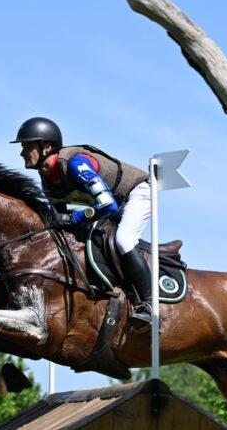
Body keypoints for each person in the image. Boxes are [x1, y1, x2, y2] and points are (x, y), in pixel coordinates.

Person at [11, 116, 154, 330]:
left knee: (124, 239)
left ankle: (149, 305)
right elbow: (59, 223)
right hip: (112, 202)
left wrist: (73, 218)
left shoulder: (75, 164)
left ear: (47, 147)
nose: (22, 153)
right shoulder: (47, 179)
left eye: (27, 147)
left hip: (135, 193)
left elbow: (108, 206)